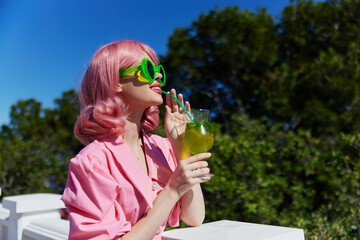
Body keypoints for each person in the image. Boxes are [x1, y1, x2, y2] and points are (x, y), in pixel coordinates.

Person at [61, 40, 213, 240]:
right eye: (148, 69)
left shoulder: (162, 147)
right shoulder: (93, 162)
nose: (158, 75)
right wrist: (171, 190)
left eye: (159, 70)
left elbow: (195, 217)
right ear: (115, 82)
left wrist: (179, 147)